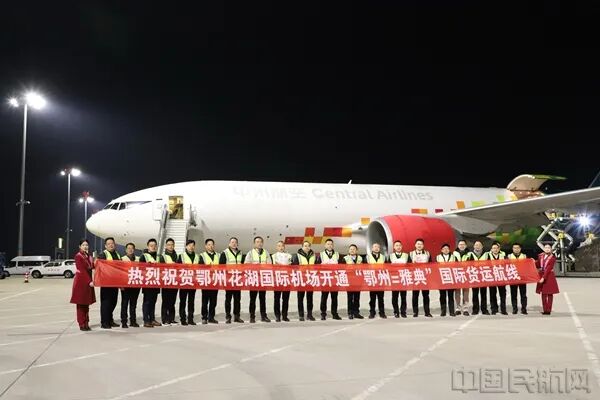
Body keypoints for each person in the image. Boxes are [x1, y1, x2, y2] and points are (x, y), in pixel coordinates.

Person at [244, 236, 272, 323]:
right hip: (254, 278)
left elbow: (269, 264)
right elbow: (246, 264)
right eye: (257, 242)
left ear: (262, 243)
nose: (259, 243)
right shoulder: (250, 253)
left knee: (262, 298)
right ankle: (252, 316)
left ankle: (263, 316)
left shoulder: (266, 252)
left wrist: (263, 267)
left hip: (263, 278)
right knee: (253, 299)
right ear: (254, 243)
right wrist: (254, 266)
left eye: (260, 242)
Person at [70, 239, 95, 331]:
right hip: (81, 282)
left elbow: (92, 266)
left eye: (87, 245)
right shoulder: (78, 256)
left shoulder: (88, 256)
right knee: (81, 304)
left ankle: (86, 323)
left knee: (86, 304)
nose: (85, 246)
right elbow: (82, 270)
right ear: (80, 246)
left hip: (88, 282)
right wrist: (89, 281)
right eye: (83, 245)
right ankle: (81, 323)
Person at [96, 237, 121, 329]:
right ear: (105, 246)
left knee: (113, 302)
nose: (111, 245)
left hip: (115, 283)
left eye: (112, 243)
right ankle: (104, 322)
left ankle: (110, 320)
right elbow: (99, 266)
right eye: (109, 244)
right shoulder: (103, 254)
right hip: (106, 283)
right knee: (106, 303)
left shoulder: (117, 254)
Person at [220, 237, 245, 324]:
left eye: (235, 242)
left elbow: (243, 265)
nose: (234, 244)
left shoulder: (240, 253)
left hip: (238, 280)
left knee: (237, 299)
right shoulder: (225, 253)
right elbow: (221, 267)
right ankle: (228, 316)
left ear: (237, 244)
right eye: (232, 242)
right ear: (229, 243)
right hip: (229, 280)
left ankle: (237, 316)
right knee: (228, 299)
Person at [292, 241, 317, 321]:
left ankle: (309, 314)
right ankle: (301, 315)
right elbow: (294, 268)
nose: (307, 247)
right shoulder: (297, 256)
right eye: (305, 246)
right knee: (300, 298)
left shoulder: (313, 256)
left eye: (308, 246)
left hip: (310, 279)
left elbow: (317, 267)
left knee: (310, 298)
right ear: (302, 247)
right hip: (301, 279)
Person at [463, 240, 489, 315]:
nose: (477, 246)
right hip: (474, 277)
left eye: (479, 245)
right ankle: (475, 310)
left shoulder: (486, 255)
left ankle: (484, 309)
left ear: (482, 246)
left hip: (483, 277)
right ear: (474, 246)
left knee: (483, 294)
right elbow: (466, 264)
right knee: (475, 294)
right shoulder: (470, 254)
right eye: (476, 245)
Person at [178, 239, 199, 325]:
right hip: (184, 282)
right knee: (183, 301)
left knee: (191, 301)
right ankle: (183, 319)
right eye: (189, 245)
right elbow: (177, 268)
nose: (191, 247)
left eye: (193, 245)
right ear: (186, 246)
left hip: (193, 282)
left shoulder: (197, 257)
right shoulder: (181, 256)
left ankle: (190, 318)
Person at [141, 238, 162, 328]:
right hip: (147, 283)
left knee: (153, 301)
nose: (153, 247)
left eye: (154, 246)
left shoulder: (159, 257)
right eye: (151, 246)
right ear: (148, 246)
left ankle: (152, 319)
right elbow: (140, 269)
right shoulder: (144, 257)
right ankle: (146, 320)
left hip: (156, 283)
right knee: (147, 302)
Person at [409, 238, 432, 318]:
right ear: (415, 245)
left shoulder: (427, 253)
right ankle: (415, 312)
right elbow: (408, 265)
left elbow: (431, 265)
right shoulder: (411, 254)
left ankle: (427, 312)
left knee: (426, 295)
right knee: (415, 295)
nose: (419, 245)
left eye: (421, 244)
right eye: (418, 244)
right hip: (415, 277)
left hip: (425, 277)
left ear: (423, 245)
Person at [320, 239, 342, 320]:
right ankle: (323, 314)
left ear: (333, 245)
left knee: (334, 298)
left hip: (334, 279)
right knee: (324, 297)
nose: (329, 245)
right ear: (325, 245)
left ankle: (334, 313)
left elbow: (341, 266)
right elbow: (317, 267)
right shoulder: (321, 255)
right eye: (328, 244)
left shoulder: (337, 255)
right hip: (325, 279)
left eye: (331, 244)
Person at [120, 243, 141, 328]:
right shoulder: (122, 259)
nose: (130, 250)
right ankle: (124, 322)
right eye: (128, 248)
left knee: (133, 304)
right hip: (126, 285)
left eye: (132, 248)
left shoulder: (138, 259)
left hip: (135, 285)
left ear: (134, 249)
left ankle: (133, 321)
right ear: (126, 250)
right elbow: (120, 273)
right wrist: (121, 285)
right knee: (124, 304)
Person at [341, 244, 364, 319]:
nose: (352, 250)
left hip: (358, 280)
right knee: (350, 297)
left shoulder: (360, 258)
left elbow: (364, 268)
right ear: (348, 250)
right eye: (351, 249)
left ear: (357, 250)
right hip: (349, 280)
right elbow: (342, 269)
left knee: (357, 297)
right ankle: (350, 313)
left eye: (354, 249)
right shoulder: (345, 258)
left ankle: (356, 312)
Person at [200, 238, 220, 324]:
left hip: (215, 281)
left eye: (212, 244)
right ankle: (204, 317)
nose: (211, 246)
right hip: (206, 281)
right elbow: (200, 267)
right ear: (205, 246)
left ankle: (211, 317)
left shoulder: (218, 255)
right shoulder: (202, 255)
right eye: (209, 244)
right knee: (205, 301)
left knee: (213, 301)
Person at [536, 244, 559, 315]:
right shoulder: (540, 256)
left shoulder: (552, 258)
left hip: (549, 276)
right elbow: (538, 265)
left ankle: (548, 310)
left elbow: (548, 269)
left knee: (549, 293)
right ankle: (545, 309)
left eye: (549, 247)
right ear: (543, 249)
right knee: (543, 293)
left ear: (551, 249)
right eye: (545, 247)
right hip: (541, 274)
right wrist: (532, 262)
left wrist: (543, 278)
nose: (547, 249)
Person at [272, 241, 292, 322]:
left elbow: (290, 266)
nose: (281, 247)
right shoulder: (274, 256)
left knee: (286, 298)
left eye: (282, 246)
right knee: (277, 298)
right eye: (279, 246)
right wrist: (283, 266)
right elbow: (274, 265)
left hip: (286, 279)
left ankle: (284, 315)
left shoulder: (289, 255)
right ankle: (277, 315)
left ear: (284, 247)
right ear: (276, 247)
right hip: (277, 279)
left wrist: (281, 265)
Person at [161, 238, 179, 325]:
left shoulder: (177, 256)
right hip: (166, 281)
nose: (170, 246)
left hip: (174, 281)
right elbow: (160, 268)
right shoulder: (163, 257)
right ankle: (165, 319)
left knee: (172, 301)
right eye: (169, 245)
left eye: (172, 245)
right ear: (166, 246)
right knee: (165, 301)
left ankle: (171, 318)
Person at [389, 240, 409, 318]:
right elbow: (387, 267)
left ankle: (403, 312)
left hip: (403, 278)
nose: (398, 247)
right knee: (395, 297)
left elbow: (410, 266)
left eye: (399, 245)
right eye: (396, 245)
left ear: (402, 246)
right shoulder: (390, 256)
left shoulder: (406, 255)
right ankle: (396, 312)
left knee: (403, 296)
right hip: (394, 279)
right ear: (394, 247)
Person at [367, 242, 387, 319]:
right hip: (372, 280)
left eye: (378, 247)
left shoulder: (383, 257)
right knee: (372, 298)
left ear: (379, 248)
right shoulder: (367, 257)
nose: (376, 248)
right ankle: (372, 312)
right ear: (372, 248)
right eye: (375, 247)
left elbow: (387, 268)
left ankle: (382, 312)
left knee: (381, 298)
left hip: (380, 279)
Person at [487, 242, 508, 315]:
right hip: (492, 278)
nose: (495, 249)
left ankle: (503, 309)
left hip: (501, 277)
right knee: (492, 294)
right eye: (494, 248)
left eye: (496, 248)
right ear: (491, 249)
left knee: (503, 294)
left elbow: (508, 265)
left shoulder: (503, 256)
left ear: (499, 249)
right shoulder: (488, 256)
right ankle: (494, 309)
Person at [436, 244, 456, 317]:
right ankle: (443, 311)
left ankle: (452, 311)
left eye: (447, 248)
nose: (446, 250)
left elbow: (457, 266)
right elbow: (435, 268)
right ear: (441, 250)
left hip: (451, 279)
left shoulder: (453, 257)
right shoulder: (438, 257)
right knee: (442, 296)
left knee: (451, 296)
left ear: (449, 250)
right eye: (444, 248)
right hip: (441, 279)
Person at [508, 243, 528, 315]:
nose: (516, 249)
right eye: (514, 248)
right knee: (513, 295)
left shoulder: (524, 256)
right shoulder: (509, 256)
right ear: (512, 249)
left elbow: (528, 266)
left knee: (523, 295)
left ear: (520, 249)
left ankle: (524, 309)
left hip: (522, 278)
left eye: (517, 248)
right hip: (513, 278)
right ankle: (514, 309)